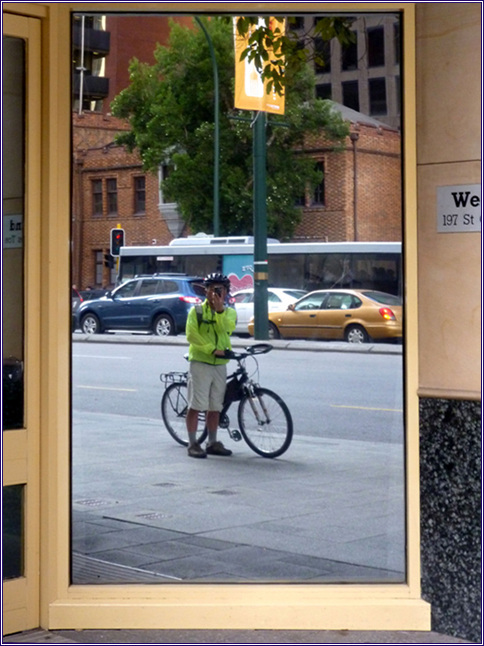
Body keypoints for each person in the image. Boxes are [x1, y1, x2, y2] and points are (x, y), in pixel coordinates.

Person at [185, 272, 237, 458]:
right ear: (206, 291)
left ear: (226, 291)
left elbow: (227, 329)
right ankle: (193, 444)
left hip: (220, 364)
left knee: (215, 406)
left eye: (220, 289)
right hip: (201, 362)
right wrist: (211, 349)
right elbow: (191, 335)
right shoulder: (197, 311)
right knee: (197, 404)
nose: (216, 292)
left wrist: (220, 310)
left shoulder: (229, 312)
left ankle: (212, 442)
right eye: (212, 289)